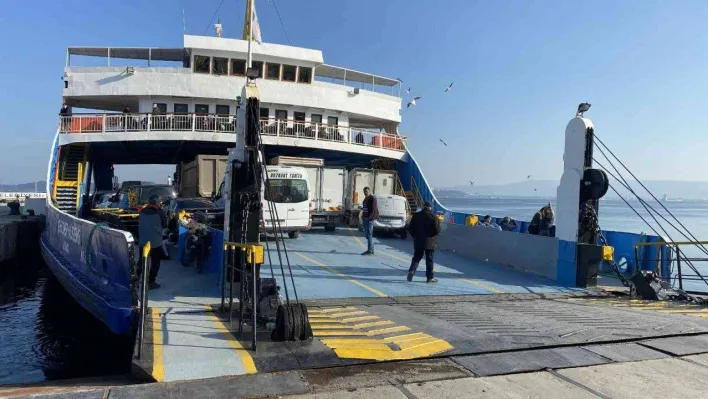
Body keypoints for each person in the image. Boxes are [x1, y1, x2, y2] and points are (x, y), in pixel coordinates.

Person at [407, 202, 441, 283]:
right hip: (430, 242)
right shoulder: (434, 217)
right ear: (430, 208)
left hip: (418, 241)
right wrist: (431, 236)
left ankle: (412, 271)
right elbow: (437, 230)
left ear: (423, 207)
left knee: (416, 258)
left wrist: (415, 236)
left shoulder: (416, 215)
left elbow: (410, 228)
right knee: (429, 260)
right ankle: (429, 277)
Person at [138, 195, 167, 289]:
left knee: (141, 261)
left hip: (143, 241)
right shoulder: (160, 212)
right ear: (157, 203)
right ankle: (151, 282)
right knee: (155, 262)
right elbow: (165, 225)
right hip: (155, 242)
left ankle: (135, 280)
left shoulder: (142, 211)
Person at [360, 187, 378, 255]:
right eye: (364, 191)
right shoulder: (365, 199)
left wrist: (369, 218)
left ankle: (370, 250)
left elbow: (373, 210)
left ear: (369, 191)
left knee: (369, 234)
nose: (365, 193)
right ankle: (371, 249)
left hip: (370, 219)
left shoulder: (372, 198)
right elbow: (365, 208)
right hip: (365, 218)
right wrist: (363, 216)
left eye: (367, 191)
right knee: (367, 235)